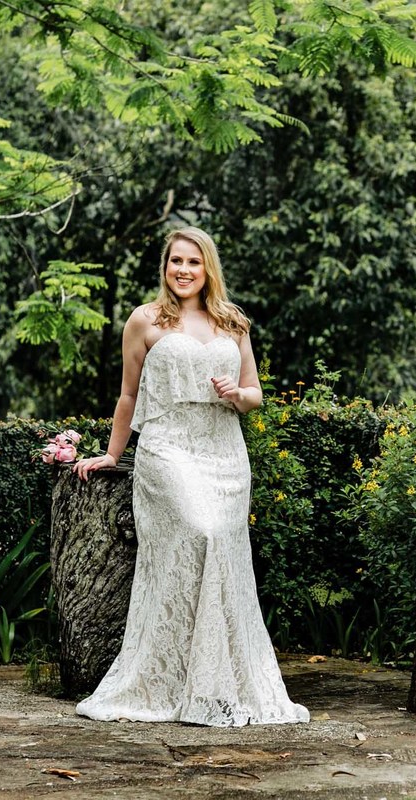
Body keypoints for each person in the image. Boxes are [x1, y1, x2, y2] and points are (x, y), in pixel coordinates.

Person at [71, 227, 310, 726]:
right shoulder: (145, 321)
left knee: (221, 545)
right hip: (169, 448)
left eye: (193, 263)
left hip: (225, 452)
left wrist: (234, 394)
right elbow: (128, 397)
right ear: (165, 267)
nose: (182, 270)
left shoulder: (232, 322)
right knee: (198, 534)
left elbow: (254, 395)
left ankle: (215, 682)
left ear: (208, 270)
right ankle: (166, 679)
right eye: (175, 261)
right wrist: (113, 456)